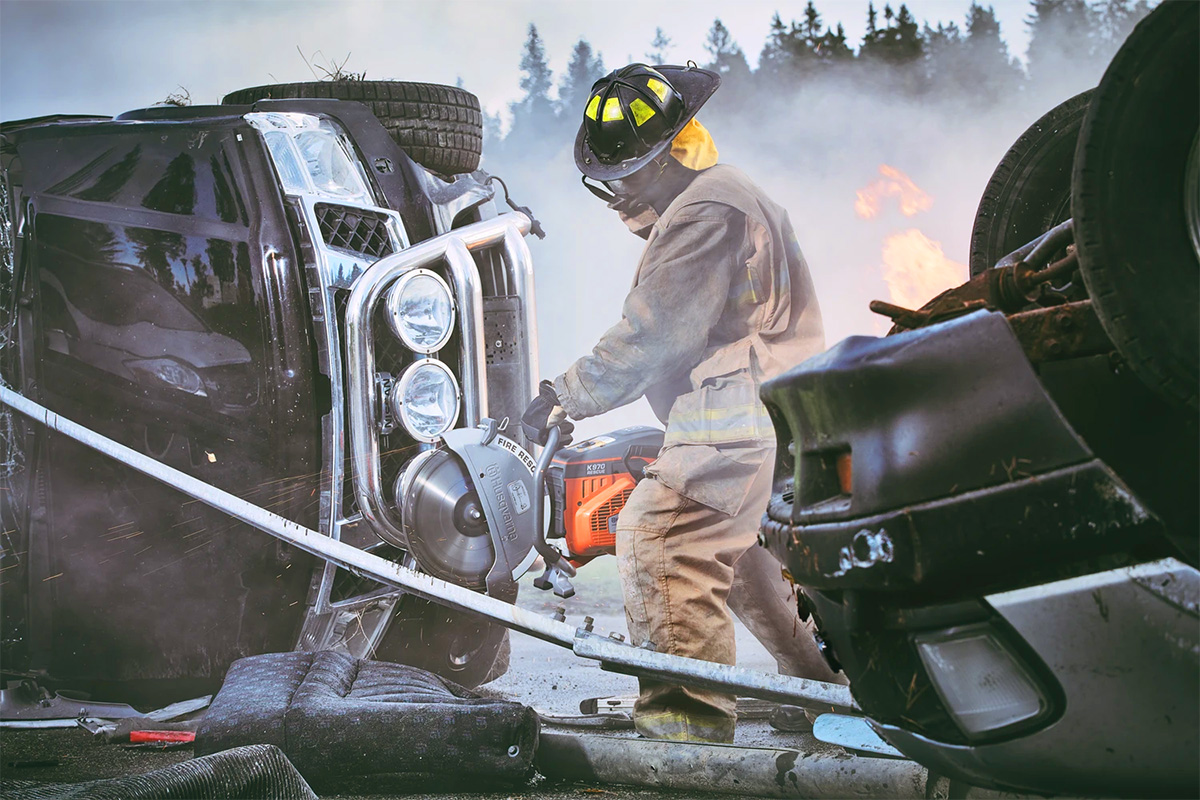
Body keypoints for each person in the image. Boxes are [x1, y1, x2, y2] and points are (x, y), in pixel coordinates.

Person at [522, 63, 839, 743]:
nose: (617, 194)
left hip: (734, 408)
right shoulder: (719, 195)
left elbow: (656, 333)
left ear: (668, 157)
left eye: (628, 176)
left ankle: (685, 733)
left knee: (662, 538)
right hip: (764, 403)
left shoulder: (704, 211)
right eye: (609, 179)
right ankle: (825, 693)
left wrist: (563, 395)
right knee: (739, 556)